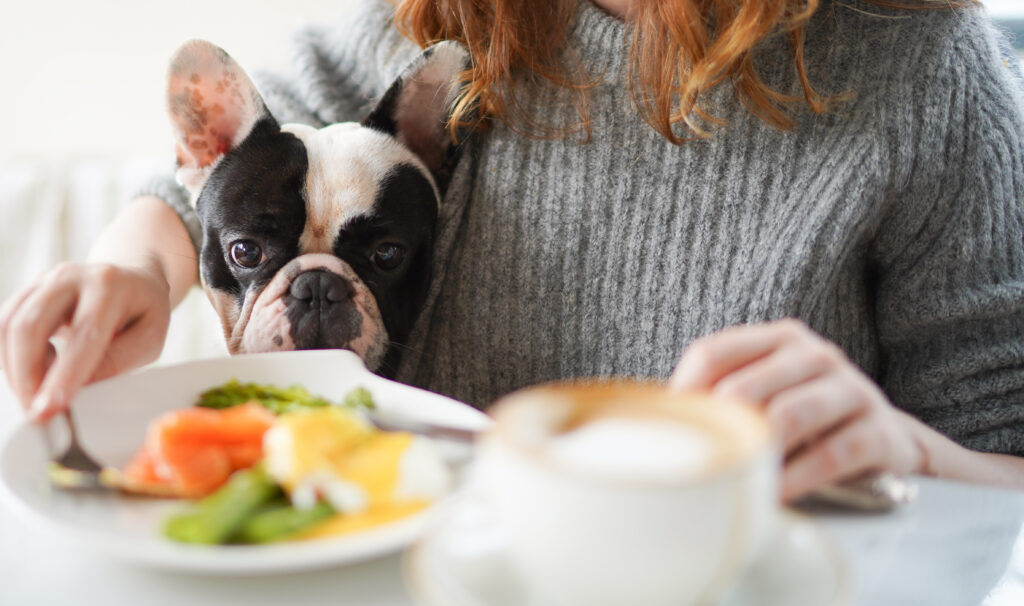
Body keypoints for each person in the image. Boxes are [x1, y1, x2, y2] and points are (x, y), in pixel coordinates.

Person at [1, 0, 1022, 502]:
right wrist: (135, 264)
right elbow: (250, 153)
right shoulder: (457, 14)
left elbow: (1002, 459)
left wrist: (908, 454)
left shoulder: (926, 67)